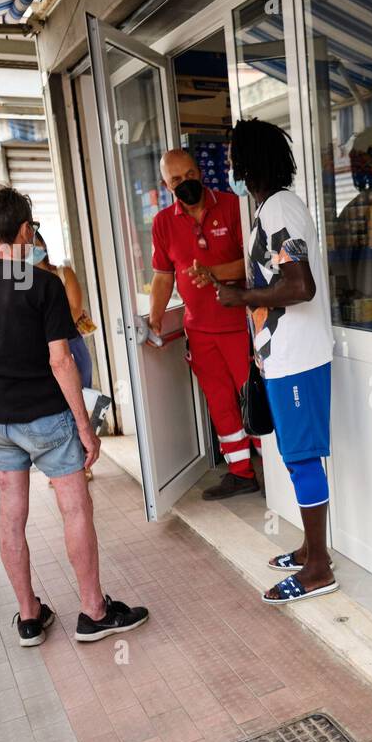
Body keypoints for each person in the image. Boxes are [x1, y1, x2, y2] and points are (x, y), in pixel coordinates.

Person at [0, 184, 148, 646]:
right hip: (49, 415)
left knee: (11, 515)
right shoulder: (43, 283)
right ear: (25, 230)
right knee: (75, 507)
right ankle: (93, 612)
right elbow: (61, 361)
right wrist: (83, 424)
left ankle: (29, 616)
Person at [216, 119, 337, 605]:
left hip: (298, 359)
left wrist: (242, 297)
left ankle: (319, 568)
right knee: (296, 455)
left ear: (248, 163)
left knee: (302, 457)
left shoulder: (279, 209)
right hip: (284, 356)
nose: (229, 167)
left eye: (232, 158)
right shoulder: (271, 209)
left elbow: (299, 285)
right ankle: (311, 549)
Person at [150, 148, 259, 500]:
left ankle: (275, 468)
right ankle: (242, 474)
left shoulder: (232, 206)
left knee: (256, 398)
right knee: (220, 403)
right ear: (166, 185)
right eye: (176, 180)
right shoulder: (163, 223)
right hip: (199, 331)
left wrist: (212, 273)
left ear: (200, 172)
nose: (186, 183)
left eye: (190, 175)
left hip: (241, 325)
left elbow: (252, 263)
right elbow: (163, 276)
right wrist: (154, 318)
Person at [30, 227, 94, 389]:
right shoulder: (24, 284)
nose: (31, 250)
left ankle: (93, 414)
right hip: (41, 350)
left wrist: (51, 334)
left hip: (71, 343)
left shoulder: (64, 274)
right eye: (26, 247)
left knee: (84, 391)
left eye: (34, 245)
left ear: (43, 245)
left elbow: (75, 309)